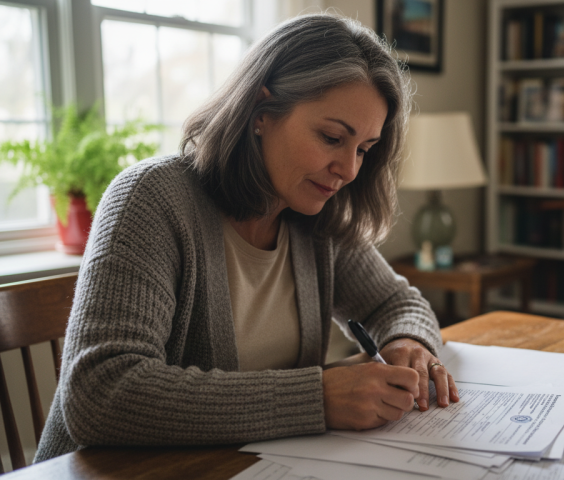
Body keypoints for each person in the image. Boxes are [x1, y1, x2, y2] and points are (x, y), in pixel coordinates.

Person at [34, 13, 458, 462]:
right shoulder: (152, 199)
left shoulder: (313, 216)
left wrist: (408, 343)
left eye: (363, 150)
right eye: (332, 137)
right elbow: (101, 393)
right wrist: (317, 398)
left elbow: (394, 303)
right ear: (261, 111)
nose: (350, 169)